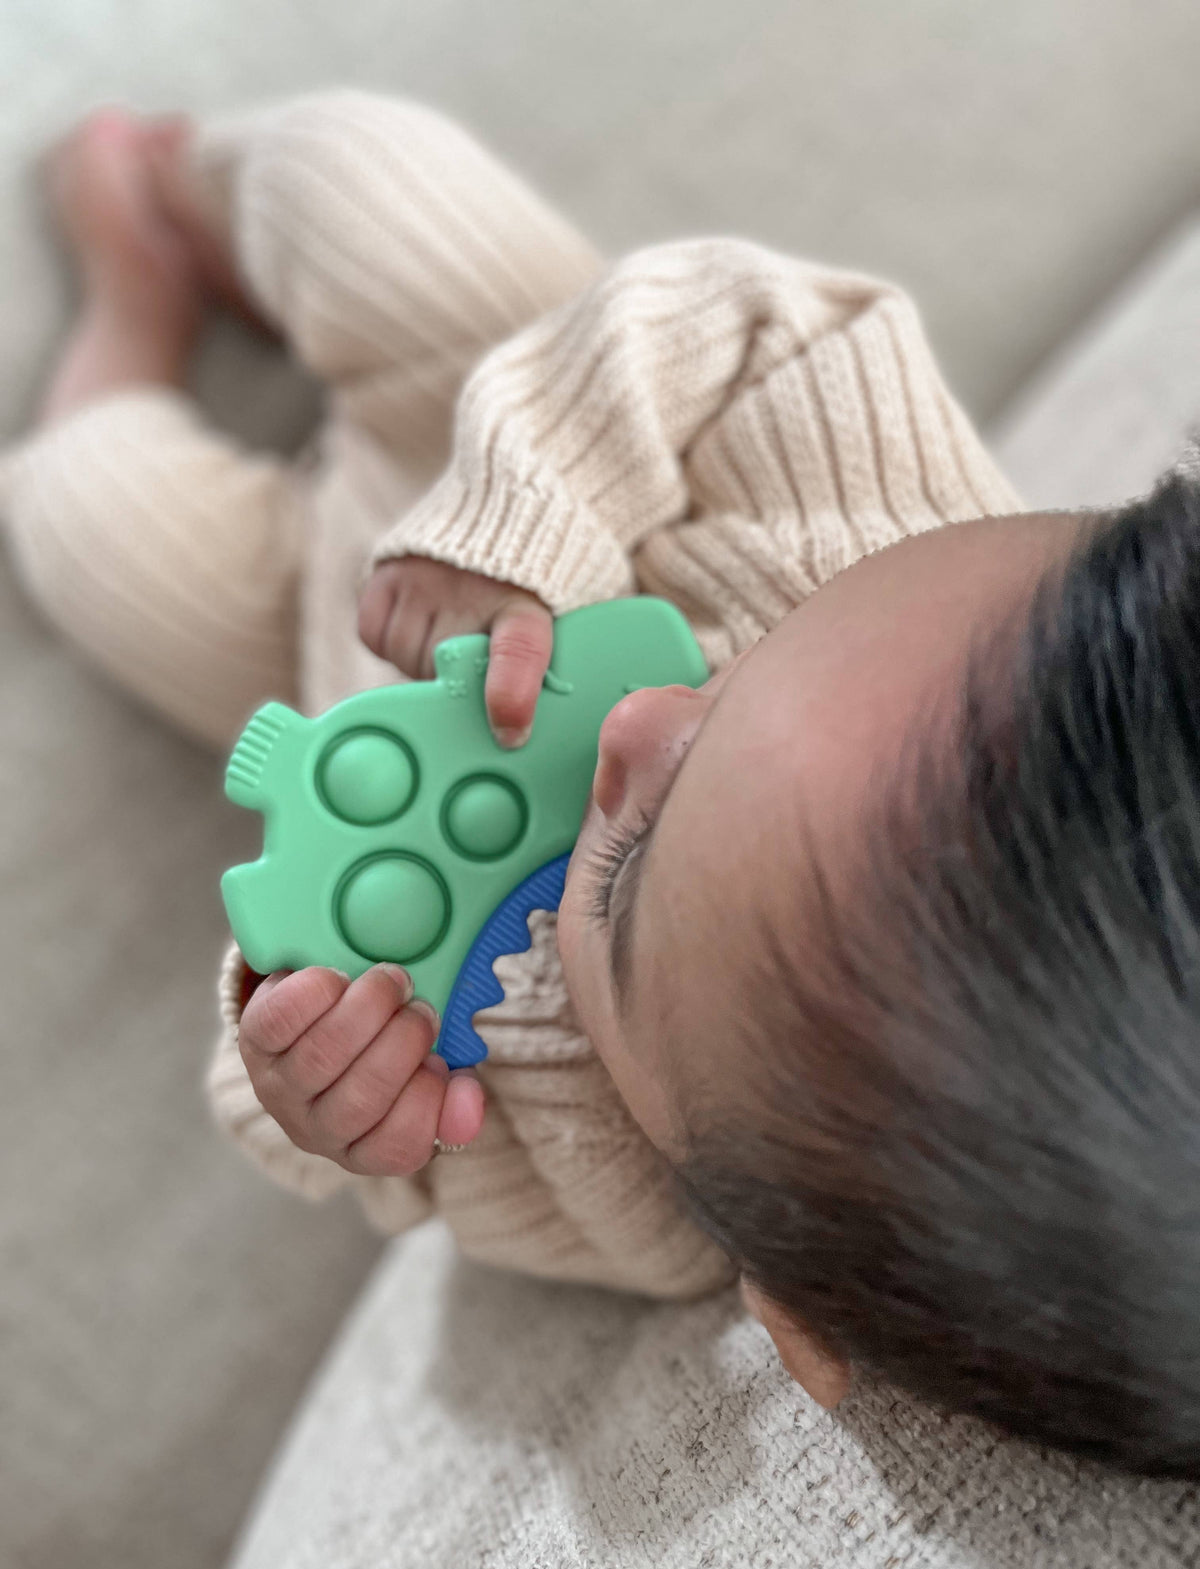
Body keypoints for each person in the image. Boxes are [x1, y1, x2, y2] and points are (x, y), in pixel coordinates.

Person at [5, 90, 1198, 1478]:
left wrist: (309, 1064)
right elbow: (754, 324)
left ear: (793, 1312)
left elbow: (365, 1143)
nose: (638, 725)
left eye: (624, 878)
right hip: (514, 437)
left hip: (307, 659)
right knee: (364, 179)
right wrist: (521, 523)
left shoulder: (621, 1196)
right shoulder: (912, 532)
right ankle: (199, 200)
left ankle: (131, 307)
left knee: (91, 522)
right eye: (774, 651)